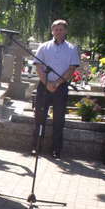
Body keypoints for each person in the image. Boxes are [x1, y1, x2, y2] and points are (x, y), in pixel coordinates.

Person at [31, 20, 80, 159]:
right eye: (56, 29)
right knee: (39, 117)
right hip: (44, 86)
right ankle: (36, 147)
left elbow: (72, 69)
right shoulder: (43, 46)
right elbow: (38, 66)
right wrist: (47, 83)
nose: (58, 32)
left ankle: (56, 150)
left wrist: (57, 83)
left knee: (59, 120)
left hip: (61, 87)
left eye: (61, 29)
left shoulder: (72, 49)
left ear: (66, 31)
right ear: (52, 31)